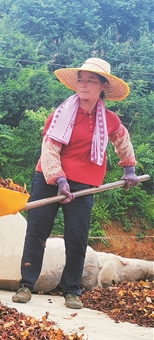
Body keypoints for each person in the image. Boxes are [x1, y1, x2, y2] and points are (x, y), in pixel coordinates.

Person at [12, 58, 139, 309]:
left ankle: (72, 290)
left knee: (77, 237)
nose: (84, 85)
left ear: (103, 85)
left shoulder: (109, 119)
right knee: (37, 232)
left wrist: (129, 168)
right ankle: (26, 285)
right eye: (81, 79)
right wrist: (59, 180)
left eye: (91, 80)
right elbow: (49, 149)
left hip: (84, 184)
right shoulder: (61, 115)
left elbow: (122, 140)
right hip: (49, 179)